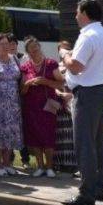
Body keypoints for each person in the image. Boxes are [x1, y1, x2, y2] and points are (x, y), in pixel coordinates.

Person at [61, 0, 103, 205]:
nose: (75, 16)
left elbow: (75, 67)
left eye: (77, 12)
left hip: (87, 94)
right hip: (101, 92)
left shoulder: (88, 35)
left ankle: (87, 193)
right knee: (98, 143)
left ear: (84, 13)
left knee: (84, 144)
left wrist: (65, 55)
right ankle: (100, 187)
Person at [20, 37, 65, 178]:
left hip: (47, 107)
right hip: (31, 107)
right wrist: (27, 84)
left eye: (36, 47)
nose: (34, 51)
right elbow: (22, 91)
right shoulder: (25, 67)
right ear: (27, 52)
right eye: (31, 49)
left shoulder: (51, 63)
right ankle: (40, 166)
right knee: (34, 136)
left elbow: (61, 84)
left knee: (48, 136)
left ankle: (50, 167)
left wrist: (45, 81)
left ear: (40, 47)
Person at [0, 33, 24, 176]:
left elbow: (20, 78)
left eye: (7, 44)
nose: (5, 46)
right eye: (1, 44)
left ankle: (8, 163)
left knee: (10, 133)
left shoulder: (15, 58)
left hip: (13, 103)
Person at [54, 41, 78, 173]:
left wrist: (71, 95)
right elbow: (54, 85)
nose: (64, 52)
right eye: (61, 50)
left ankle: (73, 164)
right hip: (60, 102)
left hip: (73, 101)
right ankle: (60, 162)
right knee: (61, 134)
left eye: (67, 49)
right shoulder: (56, 66)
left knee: (72, 133)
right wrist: (59, 93)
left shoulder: (76, 66)